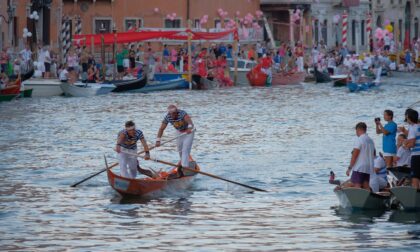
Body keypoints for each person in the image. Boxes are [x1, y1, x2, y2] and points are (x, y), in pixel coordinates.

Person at [156, 105, 194, 177]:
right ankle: (183, 163)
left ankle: (185, 168)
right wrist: (158, 140)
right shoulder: (168, 117)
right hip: (179, 132)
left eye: (174, 113)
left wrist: (189, 128)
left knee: (185, 149)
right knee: (180, 150)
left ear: (177, 112)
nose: (173, 115)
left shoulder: (182, 113)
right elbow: (161, 129)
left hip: (189, 132)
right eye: (171, 114)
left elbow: (190, 122)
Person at [345, 122, 375, 190]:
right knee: (366, 186)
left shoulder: (359, 140)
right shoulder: (371, 140)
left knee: (357, 186)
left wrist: (349, 168)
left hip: (359, 167)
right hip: (368, 167)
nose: (356, 133)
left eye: (356, 131)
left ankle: (358, 200)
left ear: (358, 129)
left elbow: (355, 155)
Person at [402, 109, 420, 189]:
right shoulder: (418, 126)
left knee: (415, 178)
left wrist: (405, 145)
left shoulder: (412, 128)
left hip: (416, 156)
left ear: (408, 117)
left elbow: (412, 143)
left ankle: (415, 197)